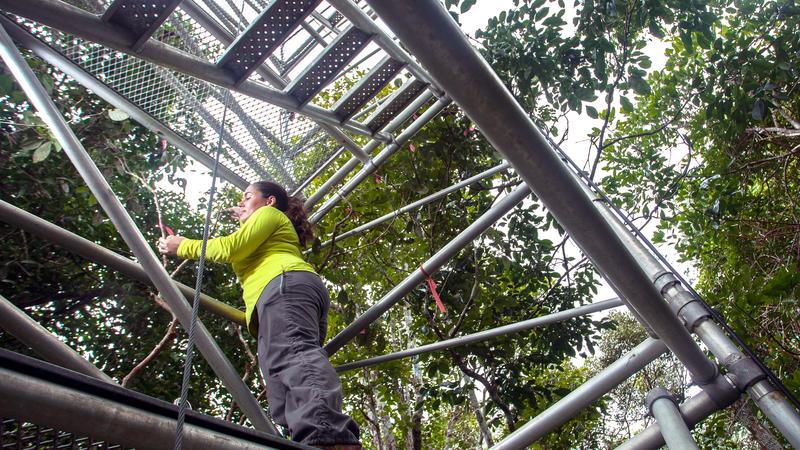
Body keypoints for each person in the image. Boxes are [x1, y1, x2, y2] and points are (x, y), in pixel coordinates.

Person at [157, 181, 361, 450]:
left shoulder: (269, 214)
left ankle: (326, 435)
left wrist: (182, 245)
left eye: (247, 197)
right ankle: (306, 437)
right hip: (281, 293)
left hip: (283, 284)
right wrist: (244, 217)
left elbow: (230, 248)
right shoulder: (264, 225)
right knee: (278, 380)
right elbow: (241, 244)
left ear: (270, 201)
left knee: (293, 355)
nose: (241, 203)